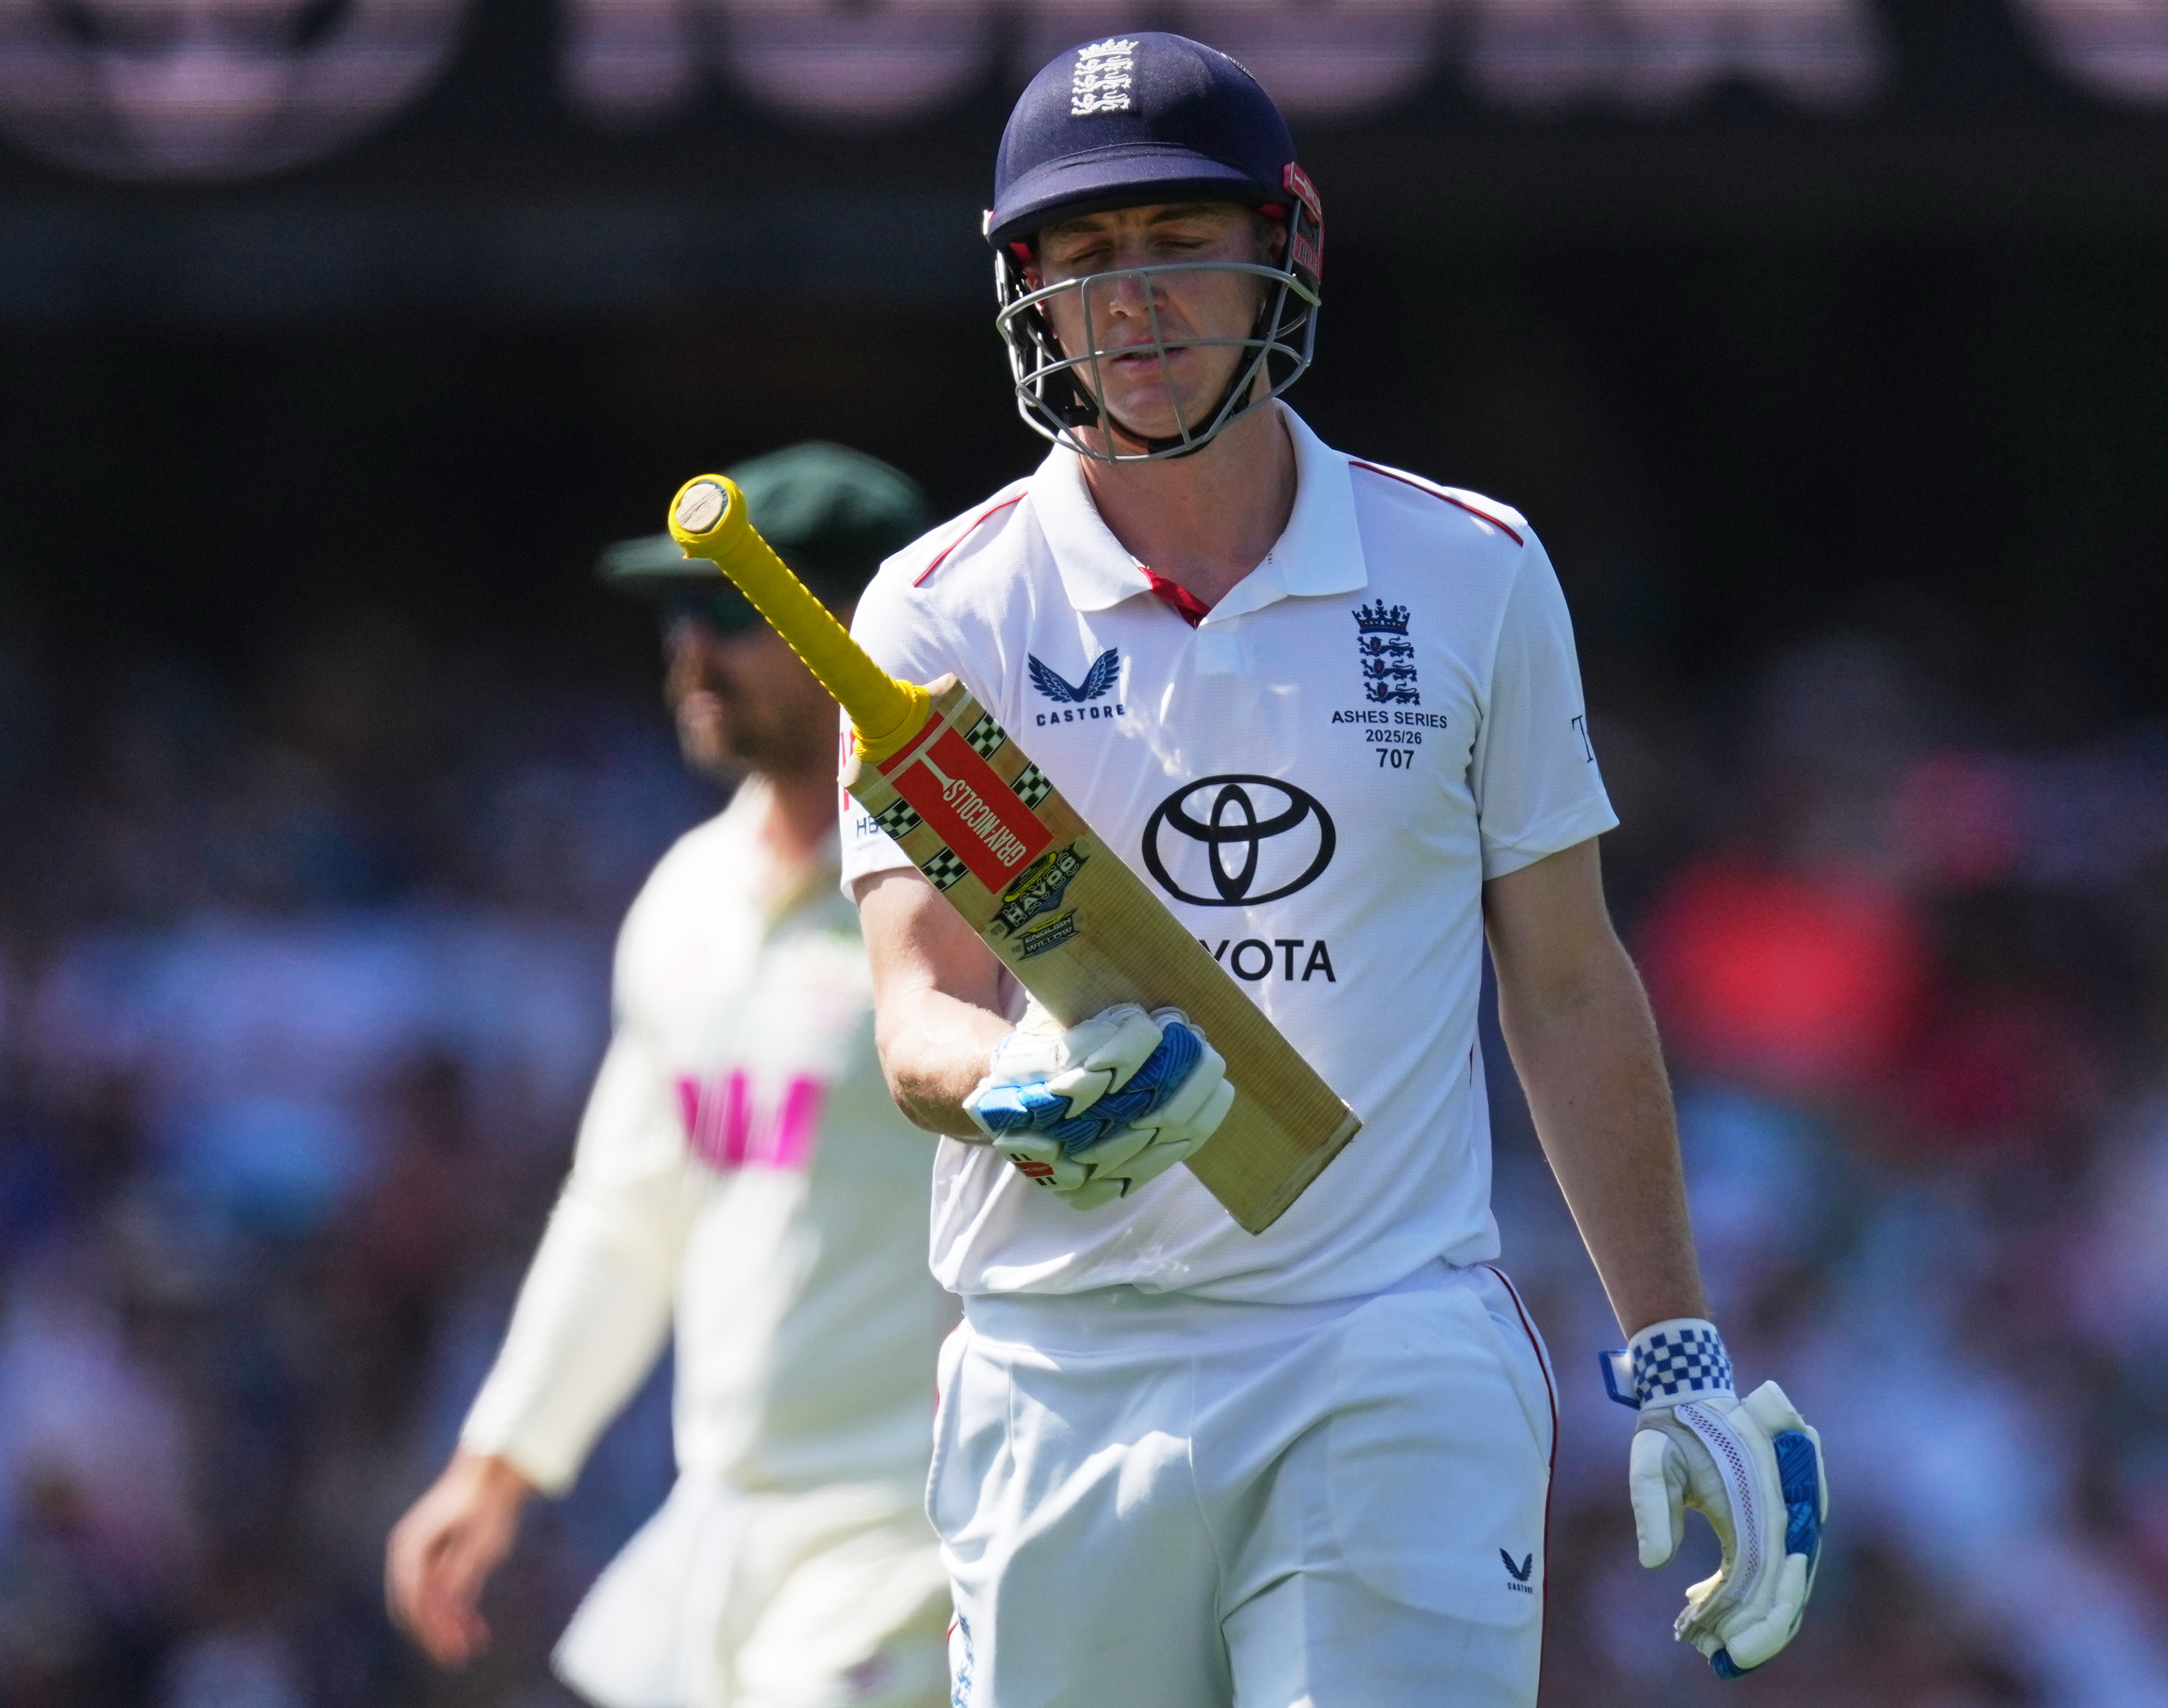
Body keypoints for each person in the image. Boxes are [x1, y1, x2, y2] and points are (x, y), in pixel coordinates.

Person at [836, 35, 1829, 1708]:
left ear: (1290, 237)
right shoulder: (941, 613)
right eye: (1080, 261)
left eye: (1174, 243)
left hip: (1383, 1336)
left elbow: (1568, 978)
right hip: (1061, 1363)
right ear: (1026, 292)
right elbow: (914, 1003)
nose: (1131, 304)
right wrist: (1024, 1082)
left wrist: (1678, 1356)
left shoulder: (1471, 570)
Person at [385, 443, 953, 1708]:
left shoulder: (977, 899)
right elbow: (625, 1209)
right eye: (675, 613)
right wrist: (498, 1461)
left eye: (735, 612)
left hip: (920, 1530)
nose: (687, 650)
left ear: (865, 623)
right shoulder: (688, 894)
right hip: (727, 1531)